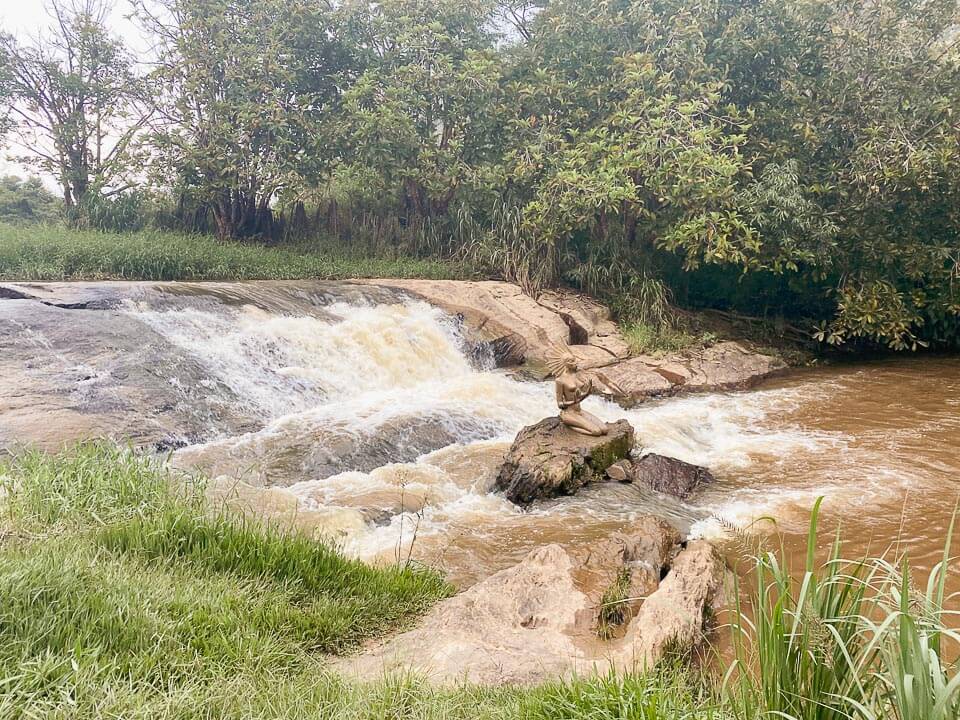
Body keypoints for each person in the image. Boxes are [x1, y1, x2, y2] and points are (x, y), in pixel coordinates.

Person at [553, 355, 624, 436]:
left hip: (579, 411)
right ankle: (570, 427)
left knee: (605, 429)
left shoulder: (574, 375)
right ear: (565, 364)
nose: (575, 363)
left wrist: (588, 391)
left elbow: (580, 396)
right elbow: (560, 404)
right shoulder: (559, 380)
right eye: (572, 361)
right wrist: (574, 401)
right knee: (596, 432)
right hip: (568, 413)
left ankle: (578, 424)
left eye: (575, 361)